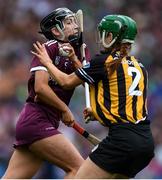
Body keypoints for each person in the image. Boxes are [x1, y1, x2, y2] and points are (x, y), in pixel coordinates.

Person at [31, 14, 155, 179]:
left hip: (121, 141)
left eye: (104, 33)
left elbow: (66, 82)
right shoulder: (140, 67)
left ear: (111, 36)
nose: (101, 37)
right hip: (145, 144)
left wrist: (46, 62)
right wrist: (98, 112)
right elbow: (121, 102)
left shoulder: (104, 61)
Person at [2, 7, 91, 179]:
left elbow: (85, 79)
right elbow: (40, 89)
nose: (75, 26)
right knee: (79, 170)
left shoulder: (80, 52)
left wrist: (75, 58)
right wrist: (64, 109)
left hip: (43, 122)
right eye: (68, 22)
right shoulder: (48, 48)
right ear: (56, 31)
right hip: (36, 120)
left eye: (74, 21)